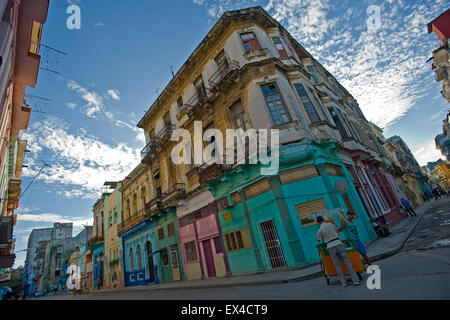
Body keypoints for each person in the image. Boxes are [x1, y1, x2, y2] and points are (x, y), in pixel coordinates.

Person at [316, 215, 360, 287]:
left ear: (318, 222)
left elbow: (318, 239)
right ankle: (356, 281)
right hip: (338, 243)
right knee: (347, 262)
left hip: (330, 246)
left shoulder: (320, 229)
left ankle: (343, 283)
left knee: (337, 265)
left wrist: (324, 235)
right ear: (323, 219)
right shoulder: (330, 224)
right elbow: (337, 231)